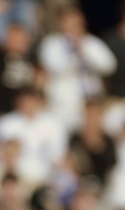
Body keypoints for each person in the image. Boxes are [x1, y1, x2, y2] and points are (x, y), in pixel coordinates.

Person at [38, 5, 115, 136]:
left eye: (76, 20)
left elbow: (110, 66)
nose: (73, 24)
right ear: (60, 22)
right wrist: (75, 54)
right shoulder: (51, 43)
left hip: (92, 102)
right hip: (64, 103)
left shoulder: (90, 42)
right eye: (69, 20)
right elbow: (56, 67)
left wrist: (85, 52)